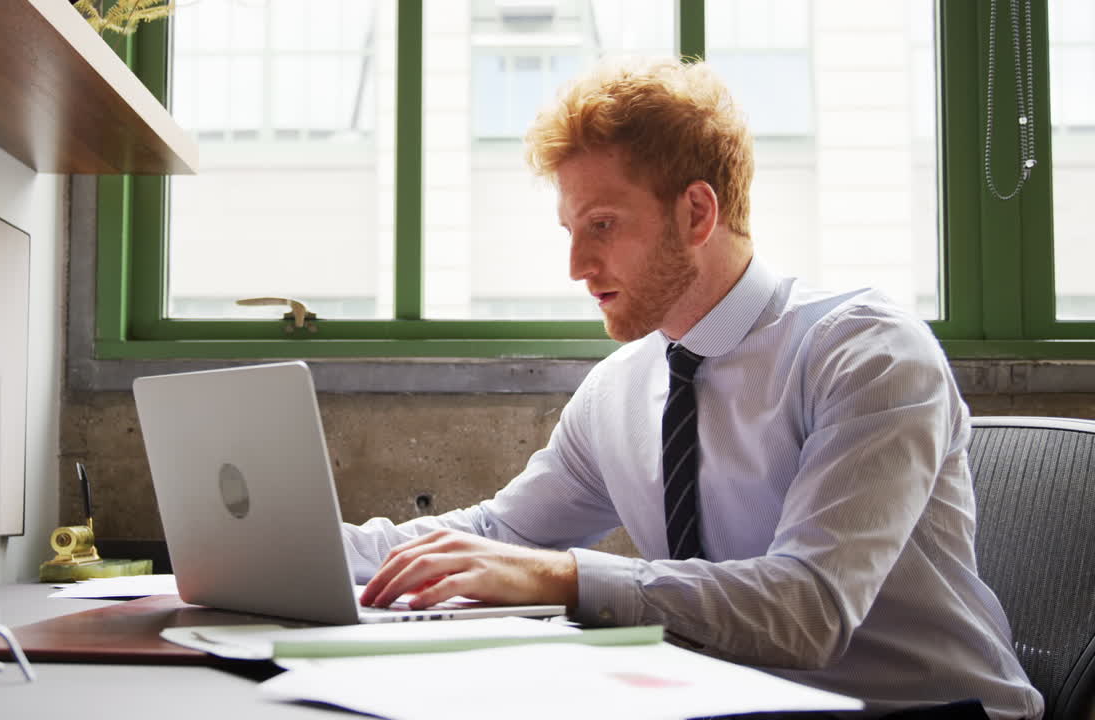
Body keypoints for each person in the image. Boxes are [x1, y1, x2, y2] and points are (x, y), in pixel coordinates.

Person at [341, 57, 1042, 720]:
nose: (578, 265)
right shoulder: (620, 390)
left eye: (603, 226)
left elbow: (810, 608)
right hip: (730, 704)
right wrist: (301, 550)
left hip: (922, 711)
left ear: (697, 213)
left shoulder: (867, 352)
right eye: (570, 230)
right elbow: (498, 535)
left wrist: (562, 578)